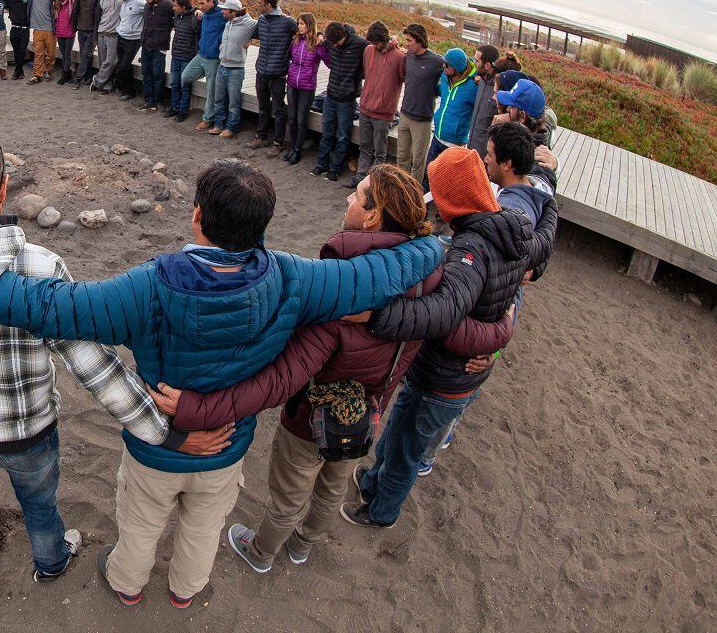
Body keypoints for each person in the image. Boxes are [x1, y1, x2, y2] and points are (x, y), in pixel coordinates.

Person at [0, 158, 442, 607]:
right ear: (262, 224)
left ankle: (127, 583)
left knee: (139, 523)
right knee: (202, 530)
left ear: (197, 217)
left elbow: (53, 307)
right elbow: (375, 273)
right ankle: (185, 590)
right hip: (228, 445)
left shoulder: (149, 285)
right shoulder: (295, 279)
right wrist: (431, 243)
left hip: (157, 447)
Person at [0, 135, 223, 584]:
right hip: (27, 430)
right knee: (40, 505)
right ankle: (51, 562)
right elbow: (92, 366)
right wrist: (166, 433)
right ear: (3, 188)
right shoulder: (39, 266)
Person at [153, 164, 517, 571]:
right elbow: (462, 330)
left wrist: (195, 410)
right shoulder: (434, 279)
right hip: (369, 412)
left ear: (373, 216)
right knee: (333, 487)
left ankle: (262, 552)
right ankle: (303, 546)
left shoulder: (343, 298)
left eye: (358, 195)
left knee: (290, 493)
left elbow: (278, 381)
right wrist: (502, 330)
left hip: (311, 419)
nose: (347, 198)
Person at [343, 147, 557, 529]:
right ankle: (373, 481)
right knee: (400, 431)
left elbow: (443, 313)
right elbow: (546, 235)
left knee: (407, 449)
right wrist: (549, 191)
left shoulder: (471, 248)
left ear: (450, 199)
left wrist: (378, 316)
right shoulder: (512, 227)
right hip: (461, 375)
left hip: (443, 378)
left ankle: (381, 512)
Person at [344, 21, 406, 188]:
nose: (375, 45)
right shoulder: (368, 50)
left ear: (385, 39)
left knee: (380, 151)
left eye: (377, 42)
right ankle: (360, 176)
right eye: (372, 42)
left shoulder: (399, 57)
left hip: (384, 113)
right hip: (365, 108)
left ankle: (375, 182)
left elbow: (404, 79)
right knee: (365, 146)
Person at [312, 22, 368, 181]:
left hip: (348, 98)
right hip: (331, 94)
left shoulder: (360, 43)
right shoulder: (331, 40)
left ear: (344, 36)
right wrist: (320, 35)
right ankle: (322, 163)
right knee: (326, 132)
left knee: (343, 136)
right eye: (333, 43)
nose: (335, 46)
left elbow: (376, 47)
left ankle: (335, 168)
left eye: (338, 42)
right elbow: (320, 36)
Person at [396, 24, 443, 186]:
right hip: (404, 114)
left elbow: (458, 67)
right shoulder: (408, 56)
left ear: (419, 40)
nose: (406, 43)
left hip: (422, 120)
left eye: (409, 40)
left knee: (418, 161)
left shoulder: (436, 61)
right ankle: (400, 187)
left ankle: (413, 192)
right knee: (402, 156)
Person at [425, 47, 479, 188]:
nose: (444, 66)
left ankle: (441, 210)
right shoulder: (444, 77)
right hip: (437, 137)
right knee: (427, 175)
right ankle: (421, 208)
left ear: (457, 67)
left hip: (454, 144)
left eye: (447, 64)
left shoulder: (474, 86)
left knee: (447, 183)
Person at [252, 0, 297, 152]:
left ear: (268, 5)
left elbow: (305, 32)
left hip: (278, 73)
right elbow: (254, 33)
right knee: (263, 107)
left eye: (259, 3)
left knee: (279, 110)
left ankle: (278, 143)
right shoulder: (262, 20)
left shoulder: (288, 22)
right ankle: (261, 137)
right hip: (261, 71)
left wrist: (319, 34)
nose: (257, 5)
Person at [282, 13, 327, 165]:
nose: (299, 26)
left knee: (302, 120)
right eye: (298, 23)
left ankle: (297, 150)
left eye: (302, 23)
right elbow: (288, 56)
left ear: (309, 25)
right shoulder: (295, 40)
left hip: (307, 86)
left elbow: (330, 61)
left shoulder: (317, 44)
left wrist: (322, 37)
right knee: (292, 118)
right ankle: (293, 146)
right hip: (292, 83)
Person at [209, 0, 257, 138]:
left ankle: (231, 128)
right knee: (218, 99)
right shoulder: (228, 22)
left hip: (236, 69)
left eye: (225, 9)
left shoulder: (248, 23)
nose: (222, 11)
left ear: (233, 11)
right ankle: (219, 125)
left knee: (233, 102)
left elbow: (265, 24)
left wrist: (252, 38)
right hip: (222, 66)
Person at [186, 0, 227, 131]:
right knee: (185, 76)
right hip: (201, 54)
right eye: (199, 4)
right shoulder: (204, 13)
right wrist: (197, 10)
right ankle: (206, 73)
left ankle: (207, 119)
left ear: (211, 1)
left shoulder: (222, 12)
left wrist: (247, 39)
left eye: (203, 3)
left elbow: (242, 17)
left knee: (211, 91)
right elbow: (191, 9)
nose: (201, 6)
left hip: (214, 58)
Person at [139, 0, 174, 112]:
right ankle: (149, 101)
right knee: (146, 74)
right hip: (146, 45)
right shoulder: (147, 5)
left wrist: (196, 11)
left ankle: (159, 101)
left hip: (159, 46)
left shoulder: (167, 5)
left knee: (157, 75)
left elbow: (181, 10)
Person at [166, 0, 200, 121]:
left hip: (188, 56)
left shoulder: (195, 17)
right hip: (176, 55)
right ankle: (174, 108)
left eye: (175, 6)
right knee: (174, 83)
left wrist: (197, 10)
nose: (173, 8)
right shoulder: (176, 15)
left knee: (184, 85)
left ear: (183, 6)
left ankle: (183, 110)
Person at [466, 45, 502, 158]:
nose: (474, 63)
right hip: (471, 148)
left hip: (485, 156)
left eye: (477, 61)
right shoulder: (480, 81)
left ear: (487, 65)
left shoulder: (500, 89)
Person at [112, 0, 145, 101]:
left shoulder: (138, 1)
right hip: (121, 37)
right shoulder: (122, 2)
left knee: (123, 67)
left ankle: (120, 87)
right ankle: (128, 91)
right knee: (125, 65)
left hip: (134, 39)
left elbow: (150, 8)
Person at [91, 0, 122, 93]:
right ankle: (107, 85)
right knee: (103, 60)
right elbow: (97, 17)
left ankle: (97, 80)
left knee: (112, 60)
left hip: (113, 32)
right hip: (101, 31)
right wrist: (95, 35)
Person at [25, 0, 57, 83]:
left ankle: (48, 71)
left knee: (51, 53)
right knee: (38, 53)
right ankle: (37, 75)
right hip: (37, 29)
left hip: (50, 29)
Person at [71, 0, 101, 86]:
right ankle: (88, 77)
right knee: (84, 54)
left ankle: (78, 78)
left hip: (92, 30)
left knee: (85, 55)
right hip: (81, 29)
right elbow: (75, 11)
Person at [4, 0, 31, 81]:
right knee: (16, 51)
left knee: (23, 51)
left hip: (25, 29)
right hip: (14, 28)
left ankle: (17, 71)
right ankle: (20, 71)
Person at [53, 0, 77, 84]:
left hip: (69, 33)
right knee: (63, 55)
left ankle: (65, 74)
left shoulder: (72, 3)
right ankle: (69, 74)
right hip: (59, 33)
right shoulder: (56, 5)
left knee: (67, 55)